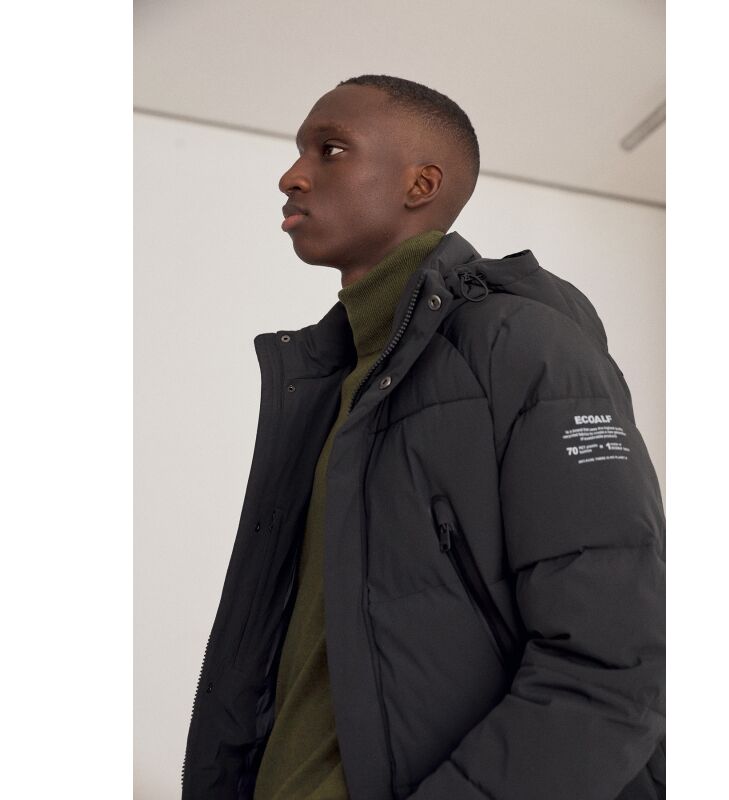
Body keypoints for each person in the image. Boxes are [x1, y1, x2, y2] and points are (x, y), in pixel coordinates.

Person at [181, 74, 666, 800]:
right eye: (298, 150)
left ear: (421, 184)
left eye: (330, 149)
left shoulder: (524, 346)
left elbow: (613, 664)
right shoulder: (331, 381)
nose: (292, 175)